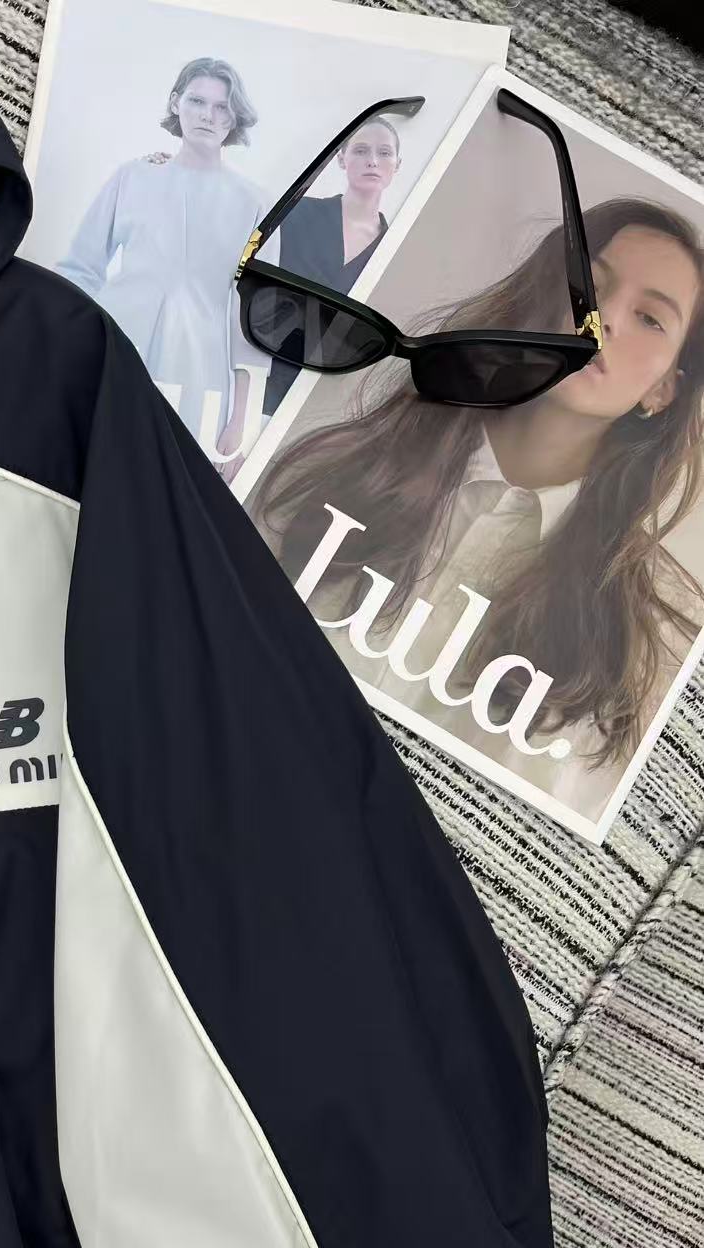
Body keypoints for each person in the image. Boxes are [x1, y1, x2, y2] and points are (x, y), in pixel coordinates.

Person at [246, 198, 704, 819]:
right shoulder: (338, 467)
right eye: (589, 285)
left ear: (665, 388)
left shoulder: (653, 634)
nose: (600, 319)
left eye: (650, 318)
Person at [56, 56, 267, 449]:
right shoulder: (132, 176)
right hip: (113, 352)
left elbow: (255, 323)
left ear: (234, 117)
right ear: (175, 102)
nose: (207, 115)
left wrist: (241, 424)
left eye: (222, 107)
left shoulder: (254, 204)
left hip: (200, 377)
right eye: (196, 101)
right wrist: (68, 348)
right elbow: (80, 270)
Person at [216, 115, 403, 482]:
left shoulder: (394, 251)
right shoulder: (298, 215)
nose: (372, 161)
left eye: (384, 153)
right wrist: (240, 419)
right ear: (341, 158)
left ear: (397, 164)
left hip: (318, 419)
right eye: (361, 150)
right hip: (255, 393)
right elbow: (244, 299)